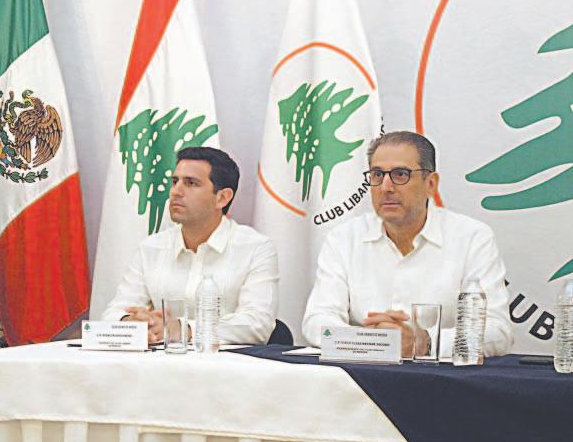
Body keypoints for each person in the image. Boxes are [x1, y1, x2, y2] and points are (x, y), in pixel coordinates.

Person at [302, 130, 512, 357]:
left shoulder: (472, 238)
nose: (386, 187)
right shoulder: (343, 239)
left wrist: (423, 343)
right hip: (361, 372)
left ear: (430, 184)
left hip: (440, 376)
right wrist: (372, 342)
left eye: (400, 174)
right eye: (377, 175)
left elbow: (497, 331)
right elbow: (317, 321)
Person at [102, 146, 278, 345]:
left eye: (191, 183)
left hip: (225, 363)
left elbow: (257, 324)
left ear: (222, 198)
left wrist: (185, 329)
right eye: (174, 182)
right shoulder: (150, 248)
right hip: (159, 362)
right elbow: (113, 313)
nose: (176, 192)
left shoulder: (255, 248)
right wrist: (131, 322)